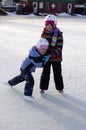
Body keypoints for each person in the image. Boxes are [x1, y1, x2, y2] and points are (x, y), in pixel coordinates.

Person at [40, 14, 64, 94]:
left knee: (57, 73)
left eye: (51, 25)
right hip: (46, 57)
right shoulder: (44, 34)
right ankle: (43, 88)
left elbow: (59, 48)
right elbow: (41, 45)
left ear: (54, 25)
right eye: (47, 25)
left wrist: (51, 54)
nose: (49, 27)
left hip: (56, 58)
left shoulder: (58, 34)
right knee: (45, 73)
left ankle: (60, 88)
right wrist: (41, 53)